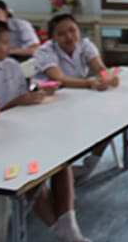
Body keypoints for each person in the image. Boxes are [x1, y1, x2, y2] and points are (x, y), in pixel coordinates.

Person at [0, 19, 92, 242]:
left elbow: (21, 97)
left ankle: (68, 224)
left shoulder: (9, 66)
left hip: (17, 132)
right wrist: (15, 103)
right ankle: (59, 230)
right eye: (4, 43)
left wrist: (35, 94)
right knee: (29, 170)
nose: (8, 48)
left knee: (61, 160)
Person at [34, 13, 119, 181]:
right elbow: (59, 79)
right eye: (61, 34)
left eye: (72, 31)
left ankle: (90, 164)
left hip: (77, 98)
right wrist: (90, 84)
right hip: (49, 102)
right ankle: (59, 171)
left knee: (112, 121)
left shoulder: (85, 45)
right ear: (53, 38)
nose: (69, 37)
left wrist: (109, 77)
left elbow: (99, 68)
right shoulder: (45, 51)